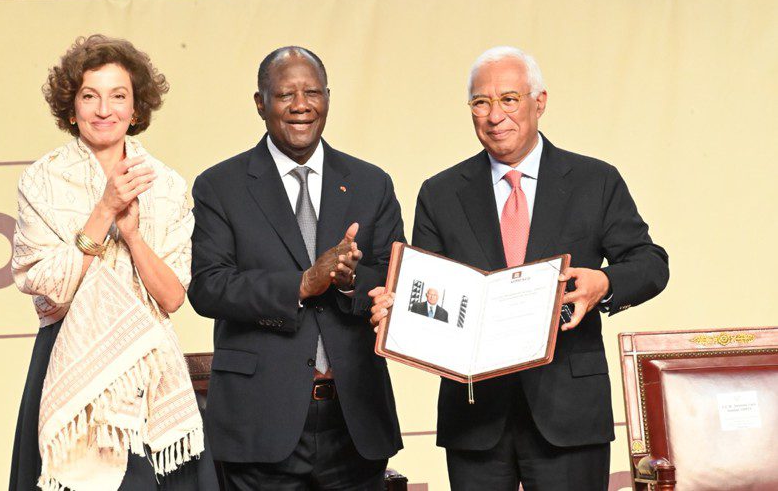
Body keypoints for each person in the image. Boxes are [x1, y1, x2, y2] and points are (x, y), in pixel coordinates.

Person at [371, 46, 668, 490]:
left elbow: (651, 263)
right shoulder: (440, 193)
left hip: (569, 413)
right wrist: (399, 314)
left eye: (509, 99)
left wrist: (603, 283)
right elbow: (430, 292)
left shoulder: (595, 180)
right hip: (475, 417)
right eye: (481, 102)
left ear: (539, 102)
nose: (495, 115)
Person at [188, 46, 404, 490]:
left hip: (355, 422)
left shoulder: (371, 183)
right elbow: (208, 287)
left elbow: (392, 277)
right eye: (286, 94)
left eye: (312, 92)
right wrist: (303, 283)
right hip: (260, 423)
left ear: (328, 97)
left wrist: (349, 285)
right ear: (260, 103)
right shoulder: (220, 186)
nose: (301, 105)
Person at [9, 35, 216, 491]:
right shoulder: (42, 180)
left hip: (148, 365)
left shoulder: (167, 184)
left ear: (136, 109)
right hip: (67, 359)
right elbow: (49, 290)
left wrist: (135, 235)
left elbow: (172, 297)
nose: (104, 109)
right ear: (71, 107)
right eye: (90, 96)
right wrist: (104, 211)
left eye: (118, 96)